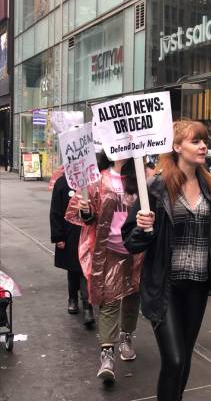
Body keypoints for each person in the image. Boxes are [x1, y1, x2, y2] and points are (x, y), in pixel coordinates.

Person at [122, 119, 211, 401]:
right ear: (176, 146)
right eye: (196, 141)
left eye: (203, 141)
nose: (203, 146)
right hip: (165, 286)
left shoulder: (209, 186)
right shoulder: (156, 188)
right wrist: (142, 226)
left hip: (197, 285)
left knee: (184, 360)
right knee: (173, 359)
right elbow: (131, 241)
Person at [66, 151, 142, 383]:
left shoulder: (143, 178)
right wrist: (86, 211)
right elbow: (86, 217)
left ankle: (126, 336)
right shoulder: (97, 180)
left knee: (132, 298)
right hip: (108, 250)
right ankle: (107, 354)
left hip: (136, 251)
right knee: (109, 300)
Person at [49, 173, 95, 327]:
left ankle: (88, 306)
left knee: (85, 270)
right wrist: (58, 236)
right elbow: (55, 211)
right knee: (73, 269)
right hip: (69, 234)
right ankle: (72, 298)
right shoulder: (62, 182)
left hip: (88, 233)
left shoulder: (92, 181)